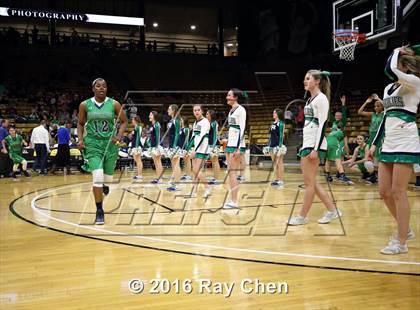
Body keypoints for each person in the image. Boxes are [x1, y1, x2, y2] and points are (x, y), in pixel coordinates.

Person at [369, 46, 420, 255]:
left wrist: (397, 51)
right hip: (388, 142)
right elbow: (385, 118)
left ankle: (401, 242)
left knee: (399, 192)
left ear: (405, 66)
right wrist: (374, 142)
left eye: (398, 60)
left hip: (406, 140)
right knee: (384, 192)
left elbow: (390, 68)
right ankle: (404, 228)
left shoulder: (415, 83)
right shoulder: (388, 88)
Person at [288, 70, 341, 225]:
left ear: (317, 81)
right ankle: (332, 210)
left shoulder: (322, 99)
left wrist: (315, 149)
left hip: (314, 145)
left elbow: (323, 124)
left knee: (309, 183)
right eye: (304, 78)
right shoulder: (310, 100)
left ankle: (302, 216)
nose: (305, 81)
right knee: (311, 181)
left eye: (308, 78)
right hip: (308, 143)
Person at [77, 78, 128, 225]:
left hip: (110, 145)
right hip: (92, 144)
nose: (102, 88)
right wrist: (80, 140)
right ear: (93, 89)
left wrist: (119, 135)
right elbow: (80, 123)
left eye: (104, 86)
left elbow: (124, 121)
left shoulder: (114, 104)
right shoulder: (85, 105)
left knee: (107, 179)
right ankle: (99, 211)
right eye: (98, 86)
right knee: (97, 177)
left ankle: (104, 186)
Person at [223, 89, 247, 209]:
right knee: (230, 173)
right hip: (230, 144)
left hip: (236, 146)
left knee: (233, 173)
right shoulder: (231, 111)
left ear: (235, 97)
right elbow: (233, 129)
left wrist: (238, 148)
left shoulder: (241, 110)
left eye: (229, 95)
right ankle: (232, 199)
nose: (227, 97)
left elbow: (242, 129)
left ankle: (234, 201)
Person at [358, 93, 385, 184]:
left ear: (382, 107)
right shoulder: (373, 114)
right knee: (372, 157)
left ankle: (378, 176)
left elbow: (388, 107)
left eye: (378, 106)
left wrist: (378, 98)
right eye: (375, 106)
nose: (376, 107)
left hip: (380, 137)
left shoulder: (384, 114)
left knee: (378, 157)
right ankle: (374, 175)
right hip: (371, 137)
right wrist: (366, 102)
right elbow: (360, 112)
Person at [188, 104, 212, 198]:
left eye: (198, 110)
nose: (196, 112)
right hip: (196, 148)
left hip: (202, 148)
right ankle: (194, 191)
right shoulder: (195, 123)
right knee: (195, 171)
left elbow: (202, 137)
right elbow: (193, 137)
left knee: (196, 170)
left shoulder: (205, 122)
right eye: (194, 110)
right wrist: (187, 148)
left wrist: (195, 150)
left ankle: (207, 187)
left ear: (202, 111)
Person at [264, 108, 286, 188]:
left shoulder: (281, 123)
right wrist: (268, 145)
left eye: (274, 113)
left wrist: (279, 147)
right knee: (275, 163)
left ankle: (281, 180)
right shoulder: (273, 123)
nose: (273, 114)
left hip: (278, 146)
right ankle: (277, 179)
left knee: (279, 162)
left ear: (278, 114)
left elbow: (281, 136)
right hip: (272, 145)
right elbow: (271, 136)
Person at [166, 105, 182, 191]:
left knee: (176, 164)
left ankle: (177, 184)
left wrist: (174, 146)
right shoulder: (172, 120)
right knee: (173, 164)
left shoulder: (177, 120)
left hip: (175, 145)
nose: (167, 110)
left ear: (173, 110)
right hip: (171, 145)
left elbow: (177, 134)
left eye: (169, 109)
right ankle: (175, 182)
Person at [206, 110, 220, 185]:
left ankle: (216, 179)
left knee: (215, 161)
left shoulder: (214, 123)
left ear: (211, 115)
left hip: (214, 144)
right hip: (209, 144)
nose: (206, 115)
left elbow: (215, 135)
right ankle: (215, 177)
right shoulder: (208, 123)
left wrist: (213, 147)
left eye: (207, 114)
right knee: (213, 161)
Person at [148, 111, 163, 184]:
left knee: (158, 163)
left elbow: (158, 136)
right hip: (153, 146)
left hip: (156, 146)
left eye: (151, 115)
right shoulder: (153, 125)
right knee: (156, 163)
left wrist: (157, 147)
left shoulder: (157, 124)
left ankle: (160, 179)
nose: (149, 116)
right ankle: (158, 178)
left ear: (154, 116)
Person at [131, 116, 145, 181]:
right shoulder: (135, 127)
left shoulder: (139, 127)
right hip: (134, 146)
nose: (132, 121)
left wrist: (136, 147)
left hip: (137, 146)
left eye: (132, 120)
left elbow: (138, 137)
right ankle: (138, 174)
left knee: (138, 160)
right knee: (136, 160)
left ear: (135, 120)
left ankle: (140, 175)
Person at [179, 116, 192, 181]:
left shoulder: (186, 129)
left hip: (185, 147)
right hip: (181, 147)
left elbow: (187, 140)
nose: (180, 121)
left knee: (187, 161)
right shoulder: (181, 128)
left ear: (184, 120)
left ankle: (189, 175)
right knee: (185, 161)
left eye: (181, 120)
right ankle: (186, 174)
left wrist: (186, 149)